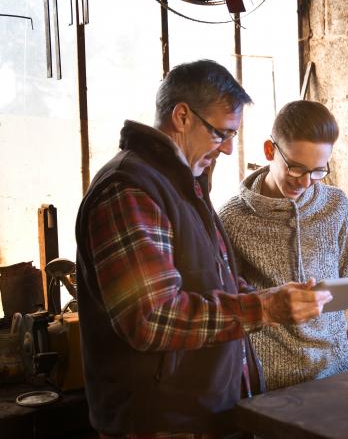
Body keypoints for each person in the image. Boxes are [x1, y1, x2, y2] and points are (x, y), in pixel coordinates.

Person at [75, 61, 332, 438]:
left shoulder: (183, 184)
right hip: (162, 425)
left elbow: (211, 282)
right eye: (221, 133)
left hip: (204, 416)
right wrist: (262, 308)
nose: (229, 149)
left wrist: (271, 297)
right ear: (182, 116)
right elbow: (152, 319)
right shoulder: (129, 190)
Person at [219, 100, 348, 391]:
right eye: (296, 168)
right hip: (272, 385)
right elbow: (230, 311)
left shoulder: (336, 206)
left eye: (318, 171)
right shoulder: (232, 219)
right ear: (270, 151)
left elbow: (344, 283)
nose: (306, 182)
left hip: (338, 372)